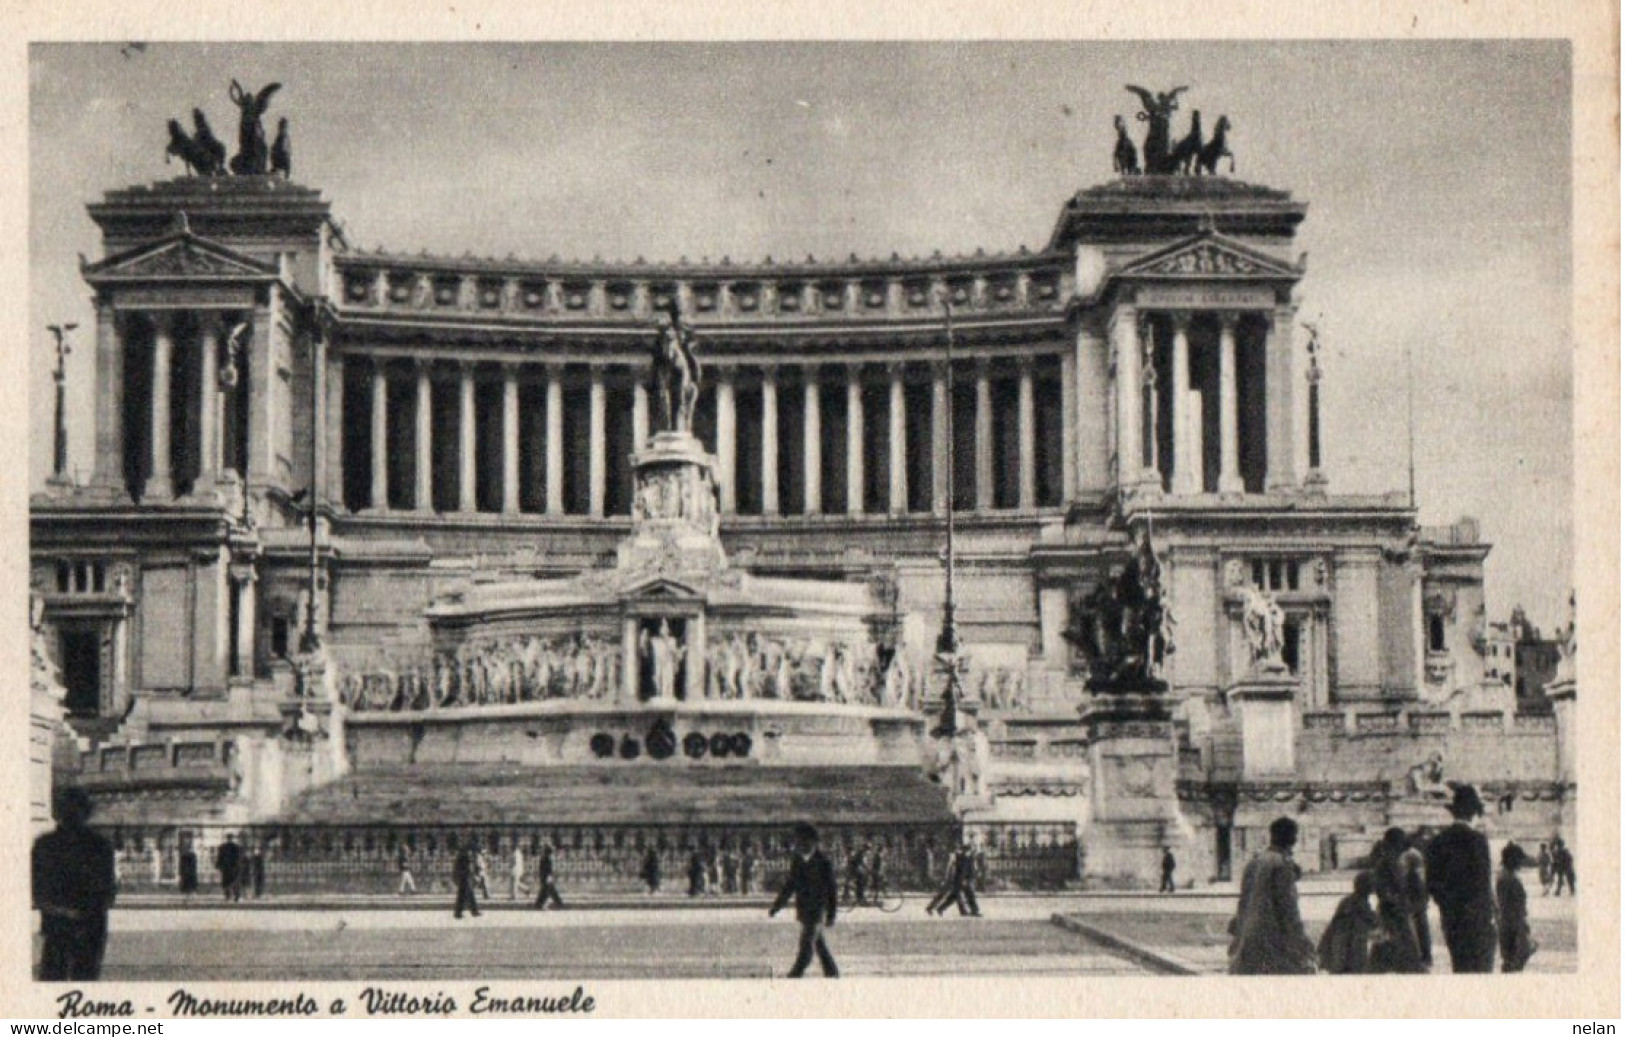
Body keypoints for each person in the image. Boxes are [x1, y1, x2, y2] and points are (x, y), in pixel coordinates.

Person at [32, 787, 116, 981]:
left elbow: (37, 889)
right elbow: (108, 891)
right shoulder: (100, 844)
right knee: (84, 980)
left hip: (59, 924)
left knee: (53, 981)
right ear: (87, 812)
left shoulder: (45, 844)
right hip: (89, 924)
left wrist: (61, 911)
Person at [1227, 817, 1316, 974]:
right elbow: (1288, 910)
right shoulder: (1282, 865)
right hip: (1271, 942)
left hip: (1247, 940)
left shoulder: (1254, 862)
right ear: (1293, 839)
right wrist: (1302, 942)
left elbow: (1243, 902)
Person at [1424, 784, 1497, 972]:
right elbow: (1482, 882)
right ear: (1475, 813)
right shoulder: (1478, 840)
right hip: (1477, 920)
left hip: (1451, 919)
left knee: (1460, 967)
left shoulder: (1436, 842)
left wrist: (1449, 905)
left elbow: (1431, 884)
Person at [768, 822, 840, 978]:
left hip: (817, 910)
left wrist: (832, 914)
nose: (799, 845)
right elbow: (790, 886)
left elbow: (832, 890)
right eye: (798, 841)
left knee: (806, 944)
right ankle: (832, 972)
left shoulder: (824, 862)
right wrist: (777, 906)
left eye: (803, 841)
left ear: (813, 841)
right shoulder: (798, 861)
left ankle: (795, 974)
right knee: (818, 944)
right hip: (804, 910)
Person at [1367, 828, 1427, 973]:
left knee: (1392, 942)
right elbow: (1384, 889)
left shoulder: (1389, 861)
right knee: (1401, 941)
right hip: (1394, 910)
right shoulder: (1388, 863)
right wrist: (1400, 902)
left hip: (1393, 909)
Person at [1316, 871, 1378, 975]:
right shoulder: (1361, 903)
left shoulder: (1348, 900)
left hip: (1340, 944)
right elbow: (1373, 921)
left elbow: (1334, 923)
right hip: (1353, 947)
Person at [1496, 843, 1537, 972]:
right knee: (1518, 957)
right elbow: (1517, 907)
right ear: (1513, 861)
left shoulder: (1502, 876)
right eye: (1519, 859)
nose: (1521, 862)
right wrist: (1524, 926)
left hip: (1504, 922)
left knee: (1509, 959)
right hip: (1514, 924)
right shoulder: (1512, 879)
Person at [1398, 833, 1433, 968]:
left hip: (1415, 896)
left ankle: (1422, 956)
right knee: (1421, 927)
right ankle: (1424, 955)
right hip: (1419, 896)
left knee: (1417, 927)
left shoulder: (1409, 856)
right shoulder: (1414, 854)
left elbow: (1413, 877)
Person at [452, 843, 481, 918]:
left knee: (463, 895)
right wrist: (474, 876)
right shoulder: (465, 856)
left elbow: (457, 868)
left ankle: (460, 912)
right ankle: (473, 911)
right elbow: (468, 868)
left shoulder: (462, 856)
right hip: (465, 877)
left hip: (463, 877)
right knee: (467, 895)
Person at [533, 844, 564, 910]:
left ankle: (540, 904)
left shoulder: (548, 858)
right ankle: (558, 903)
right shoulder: (546, 857)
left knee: (547, 891)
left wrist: (549, 876)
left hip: (546, 876)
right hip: (545, 876)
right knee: (548, 891)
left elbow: (549, 868)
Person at [215, 833, 243, 902]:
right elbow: (239, 858)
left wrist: (218, 865)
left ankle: (228, 895)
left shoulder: (223, 847)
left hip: (226, 867)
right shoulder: (236, 847)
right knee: (234, 882)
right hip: (233, 867)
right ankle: (236, 896)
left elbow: (220, 857)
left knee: (226, 882)